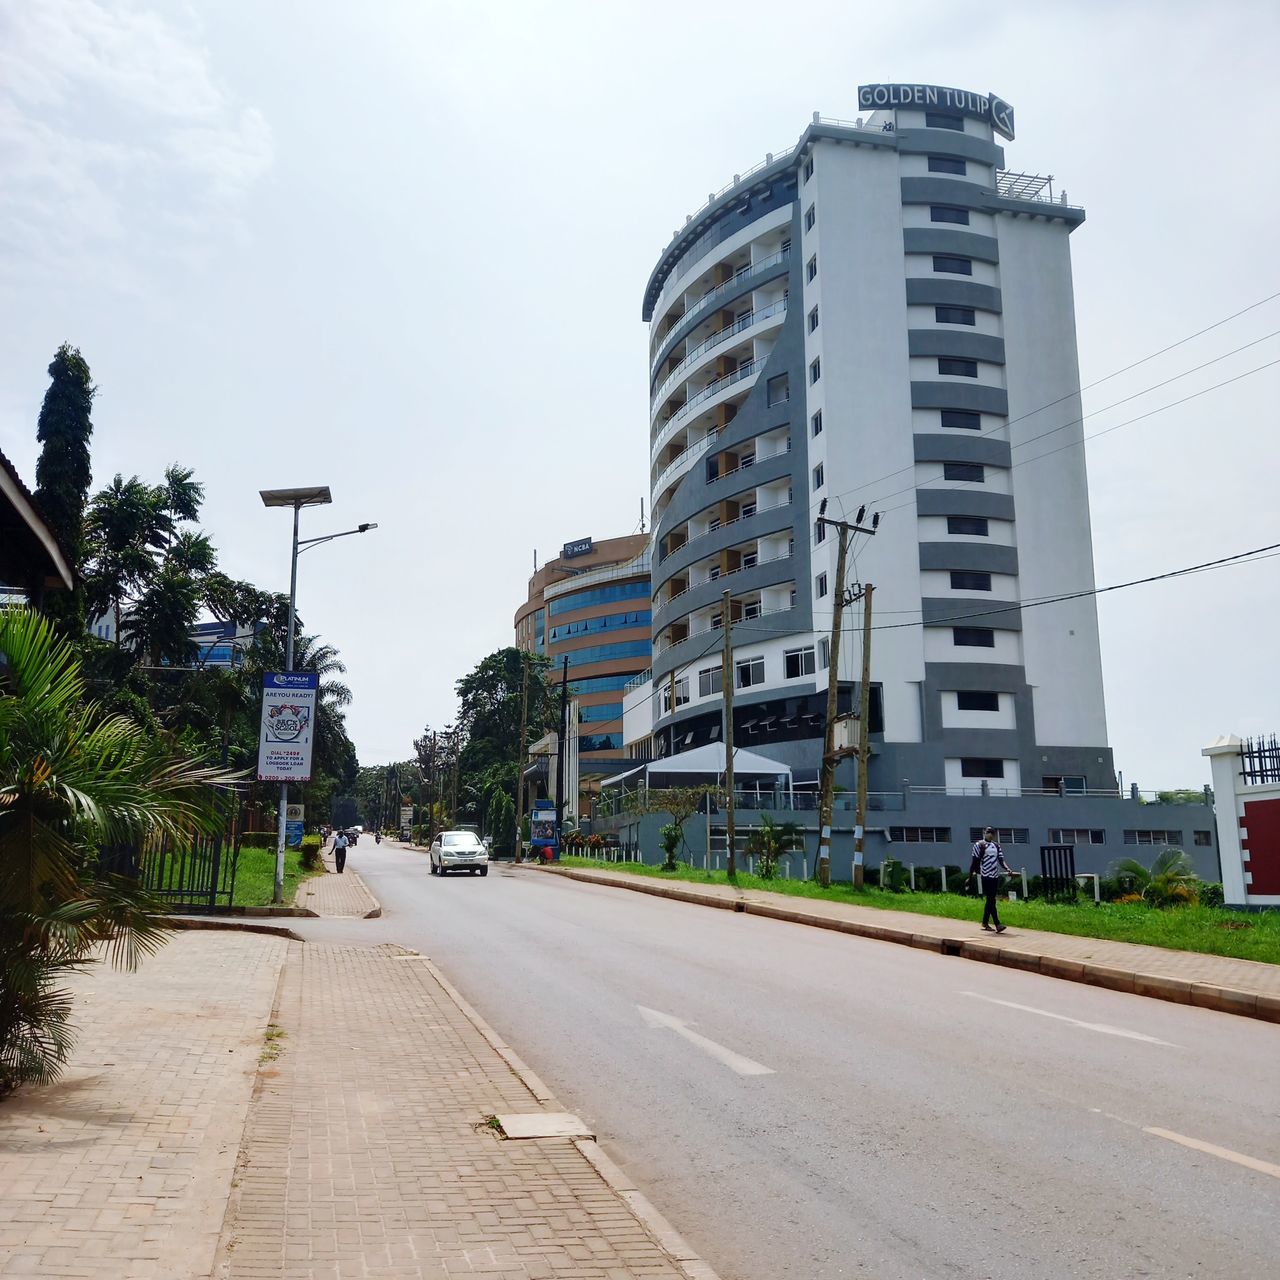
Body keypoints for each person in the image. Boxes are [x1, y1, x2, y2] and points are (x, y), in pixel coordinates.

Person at [968, 826, 1014, 933]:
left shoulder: (996, 846)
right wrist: (970, 877)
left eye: (992, 833)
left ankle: (985, 922)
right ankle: (997, 924)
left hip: (994, 875)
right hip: (985, 875)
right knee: (991, 899)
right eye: (988, 832)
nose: (990, 834)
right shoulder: (979, 845)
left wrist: (1007, 869)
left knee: (991, 899)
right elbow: (974, 862)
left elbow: (1001, 860)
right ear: (984, 832)